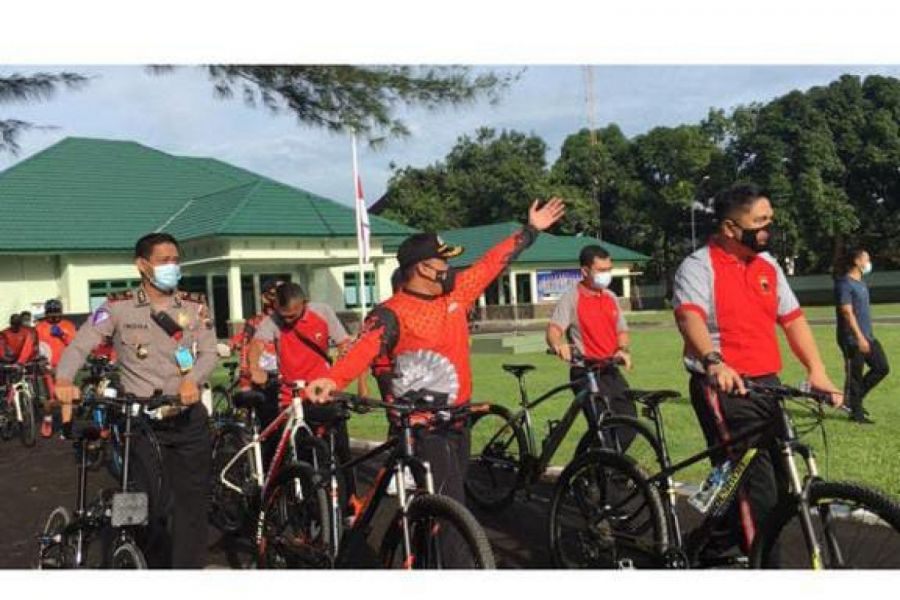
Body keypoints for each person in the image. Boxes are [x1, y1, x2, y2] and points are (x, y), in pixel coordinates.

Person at [306, 198, 566, 508]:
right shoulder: (390, 313)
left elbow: (493, 262)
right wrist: (332, 379)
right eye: (443, 263)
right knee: (450, 507)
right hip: (422, 427)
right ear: (425, 269)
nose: (449, 269)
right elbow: (365, 348)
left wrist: (531, 230)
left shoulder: (458, 294)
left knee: (446, 504)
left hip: (458, 419)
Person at [672, 183, 843, 563]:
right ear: (731, 228)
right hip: (724, 386)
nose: (768, 229)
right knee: (757, 491)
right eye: (760, 222)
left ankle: (705, 548)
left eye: (770, 220)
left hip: (767, 385)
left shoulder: (768, 266)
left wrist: (817, 370)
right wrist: (714, 361)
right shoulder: (699, 267)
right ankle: (767, 569)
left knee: (780, 484)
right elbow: (690, 318)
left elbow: (793, 319)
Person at [55, 232, 217, 569]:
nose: (172, 266)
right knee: (148, 507)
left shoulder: (195, 305)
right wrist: (64, 379)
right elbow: (81, 345)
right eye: (163, 260)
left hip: (187, 417)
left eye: (175, 260)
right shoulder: (117, 306)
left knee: (192, 505)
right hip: (140, 422)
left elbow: (210, 353)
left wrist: (193, 379)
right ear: (142, 265)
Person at [248, 283, 357, 492]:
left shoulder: (322, 311)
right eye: (284, 316)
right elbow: (257, 344)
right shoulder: (273, 321)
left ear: (304, 304)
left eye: (293, 315)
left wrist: (343, 364)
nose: (288, 321)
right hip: (292, 394)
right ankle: (294, 496)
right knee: (295, 450)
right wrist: (254, 368)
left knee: (339, 445)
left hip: (322, 390)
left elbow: (344, 342)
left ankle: (350, 497)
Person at [546, 244, 637, 449]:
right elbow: (553, 330)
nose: (607, 275)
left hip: (610, 369)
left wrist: (623, 349)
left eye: (609, 269)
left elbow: (621, 330)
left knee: (629, 422)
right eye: (602, 270)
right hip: (585, 372)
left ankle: (600, 469)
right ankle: (590, 471)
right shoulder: (572, 298)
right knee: (602, 426)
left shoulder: (611, 297)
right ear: (585, 271)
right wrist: (559, 344)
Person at [834, 248, 888, 425]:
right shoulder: (844, 283)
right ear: (857, 262)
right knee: (855, 376)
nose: (869, 262)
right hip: (852, 338)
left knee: (881, 367)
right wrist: (859, 337)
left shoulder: (861, 283)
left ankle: (852, 400)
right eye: (867, 259)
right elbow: (847, 312)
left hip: (867, 336)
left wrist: (866, 337)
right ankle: (856, 415)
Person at [35, 299, 78, 437]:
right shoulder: (39, 327)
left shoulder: (68, 325)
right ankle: (48, 419)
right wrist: (42, 364)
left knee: (66, 398)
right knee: (50, 399)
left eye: (56, 313)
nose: (54, 316)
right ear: (46, 314)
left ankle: (66, 427)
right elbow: (36, 348)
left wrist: (63, 335)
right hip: (46, 368)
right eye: (50, 313)